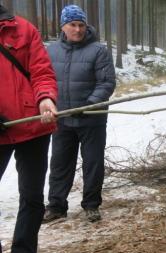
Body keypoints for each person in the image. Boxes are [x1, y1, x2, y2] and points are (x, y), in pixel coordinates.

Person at [0, 3, 58, 253]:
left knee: (32, 197)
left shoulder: (23, 29)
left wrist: (46, 97)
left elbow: (41, 71)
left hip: (32, 125)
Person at [43, 5, 116, 224]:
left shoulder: (98, 50)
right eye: (72, 25)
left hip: (91, 119)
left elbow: (107, 83)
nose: (77, 29)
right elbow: (44, 81)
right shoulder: (51, 51)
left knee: (93, 163)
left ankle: (91, 205)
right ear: (63, 26)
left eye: (81, 25)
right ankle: (56, 206)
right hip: (62, 118)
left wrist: (90, 104)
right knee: (59, 163)